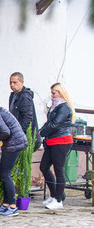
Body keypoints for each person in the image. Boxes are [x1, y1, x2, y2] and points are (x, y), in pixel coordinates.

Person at [39, 82, 75, 211]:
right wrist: (42, 130)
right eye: (51, 93)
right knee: (44, 167)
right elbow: (50, 122)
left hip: (61, 140)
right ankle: (54, 195)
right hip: (51, 140)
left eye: (54, 93)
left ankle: (58, 200)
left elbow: (55, 124)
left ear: (61, 93)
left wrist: (41, 132)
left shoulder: (64, 107)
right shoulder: (55, 106)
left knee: (58, 170)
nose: (52, 95)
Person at [9, 72, 41, 150]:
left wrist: (19, 133)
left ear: (22, 82)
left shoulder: (24, 97)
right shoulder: (13, 96)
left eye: (15, 82)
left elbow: (27, 118)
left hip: (25, 136)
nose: (12, 85)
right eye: (10, 82)